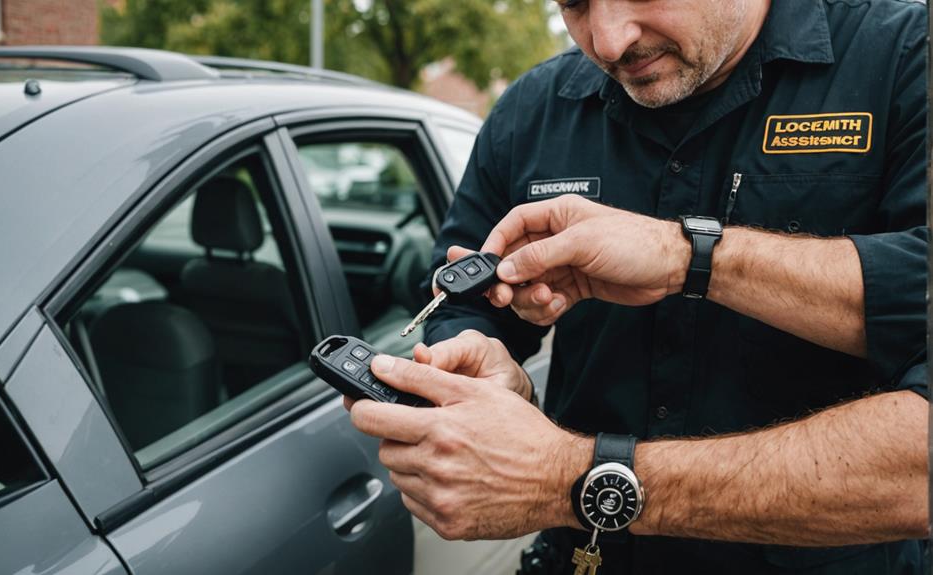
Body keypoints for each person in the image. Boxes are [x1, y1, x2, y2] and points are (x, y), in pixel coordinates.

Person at [348, 0, 929, 573]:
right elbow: (465, 304)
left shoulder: (907, 56)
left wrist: (688, 256)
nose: (607, 42)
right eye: (574, 4)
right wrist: (487, 354)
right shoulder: (532, 110)